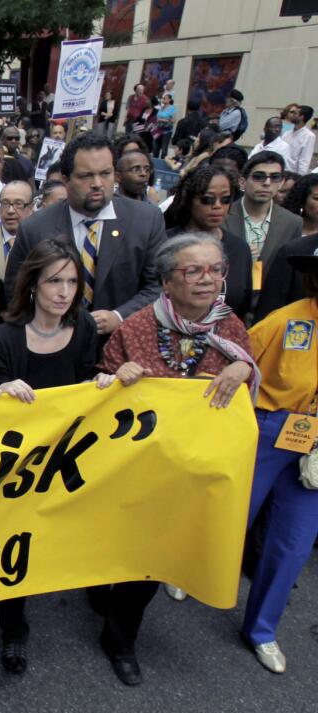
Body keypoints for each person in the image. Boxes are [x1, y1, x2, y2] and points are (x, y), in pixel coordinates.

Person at [97, 233, 257, 681]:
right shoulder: (138, 327)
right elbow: (98, 390)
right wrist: (117, 377)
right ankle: (103, 600)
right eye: (193, 270)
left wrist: (243, 366)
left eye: (215, 270)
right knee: (112, 546)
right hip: (136, 466)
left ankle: (119, 639)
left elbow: (242, 397)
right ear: (168, 281)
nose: (207, 280)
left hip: (191, 470)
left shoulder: (231, 329)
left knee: (151, 561)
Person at [0, 238, 109, 676]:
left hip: (69, 455)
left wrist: (108, 382)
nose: (64, 291)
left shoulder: (86, 328)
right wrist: (0, 392)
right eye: (55, 280)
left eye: (72, 281)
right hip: (18, 466)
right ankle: (13, 628)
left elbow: (86, 380)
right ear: (32, 285)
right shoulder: (6, 338)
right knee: (15, 544)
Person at [240, 251, 318, 674]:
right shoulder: (284, 321)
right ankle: (189, 571)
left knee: (294, 542)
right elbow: (238, 366)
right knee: (235, 514)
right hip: (270, 427)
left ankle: (262, 630)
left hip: (317, 445)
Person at [6, 134, 166, 336]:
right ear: (66, 180)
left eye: (105, 173)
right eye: (86, 176)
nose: (97, 183)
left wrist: (119, 316)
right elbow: (16, 291)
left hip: (122, 347)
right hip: (52, 345)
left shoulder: (146, 220)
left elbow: (158, 287)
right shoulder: (35, 228)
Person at [163, 165, 254, 318]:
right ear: (188, 200)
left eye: (225, 199)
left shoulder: (240, 249)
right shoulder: (165, 243)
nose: (217, 206)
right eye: (207, 199)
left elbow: (244, 306)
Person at [223, 151, 303, 296]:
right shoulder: (222, 215)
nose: (267, 183)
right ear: (242, 182)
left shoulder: (292, 223)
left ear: (281, 183)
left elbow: (288, 274)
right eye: (259, 176)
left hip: (267, 305)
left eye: (275, 177)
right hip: (225, 300)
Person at [283, 104, 314, 175]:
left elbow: (304, 160)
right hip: (280, 172)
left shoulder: (309, 136)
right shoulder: (286, 134)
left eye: (295, 113)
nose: (292, 115)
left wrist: (299, 179)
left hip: (292, 175)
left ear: (301, 117)